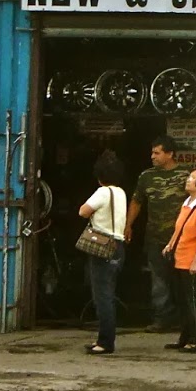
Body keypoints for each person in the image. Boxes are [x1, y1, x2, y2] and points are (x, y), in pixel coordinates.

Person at [123, 136, 190, 331]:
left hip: (180, 238)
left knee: (182, 279)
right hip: (154, 237)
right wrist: (128, 225)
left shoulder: (186, 176)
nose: (152, 156)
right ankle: (162, 318)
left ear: (170, 154)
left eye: (157, 153)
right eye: (152, 152)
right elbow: (137, 201)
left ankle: (185, 319)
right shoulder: (146, 176)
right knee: (158, 280)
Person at [77, 150, 127, 355]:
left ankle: (105, 342)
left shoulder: (103, 192)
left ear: (100, 176)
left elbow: (83, 211)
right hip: (118, 247)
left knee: (102, 297)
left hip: (102, 247)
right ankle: (105, 338)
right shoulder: (121, 193)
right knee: (109, 294)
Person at [161, 166, 196, 354]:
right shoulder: (187, 203)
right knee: (182, 301)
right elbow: (179, 228)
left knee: (193, 301)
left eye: (192, 178)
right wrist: (170, 244)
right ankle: (184, 337)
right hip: (180, 259)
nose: (188, 180)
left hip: (192, 261)